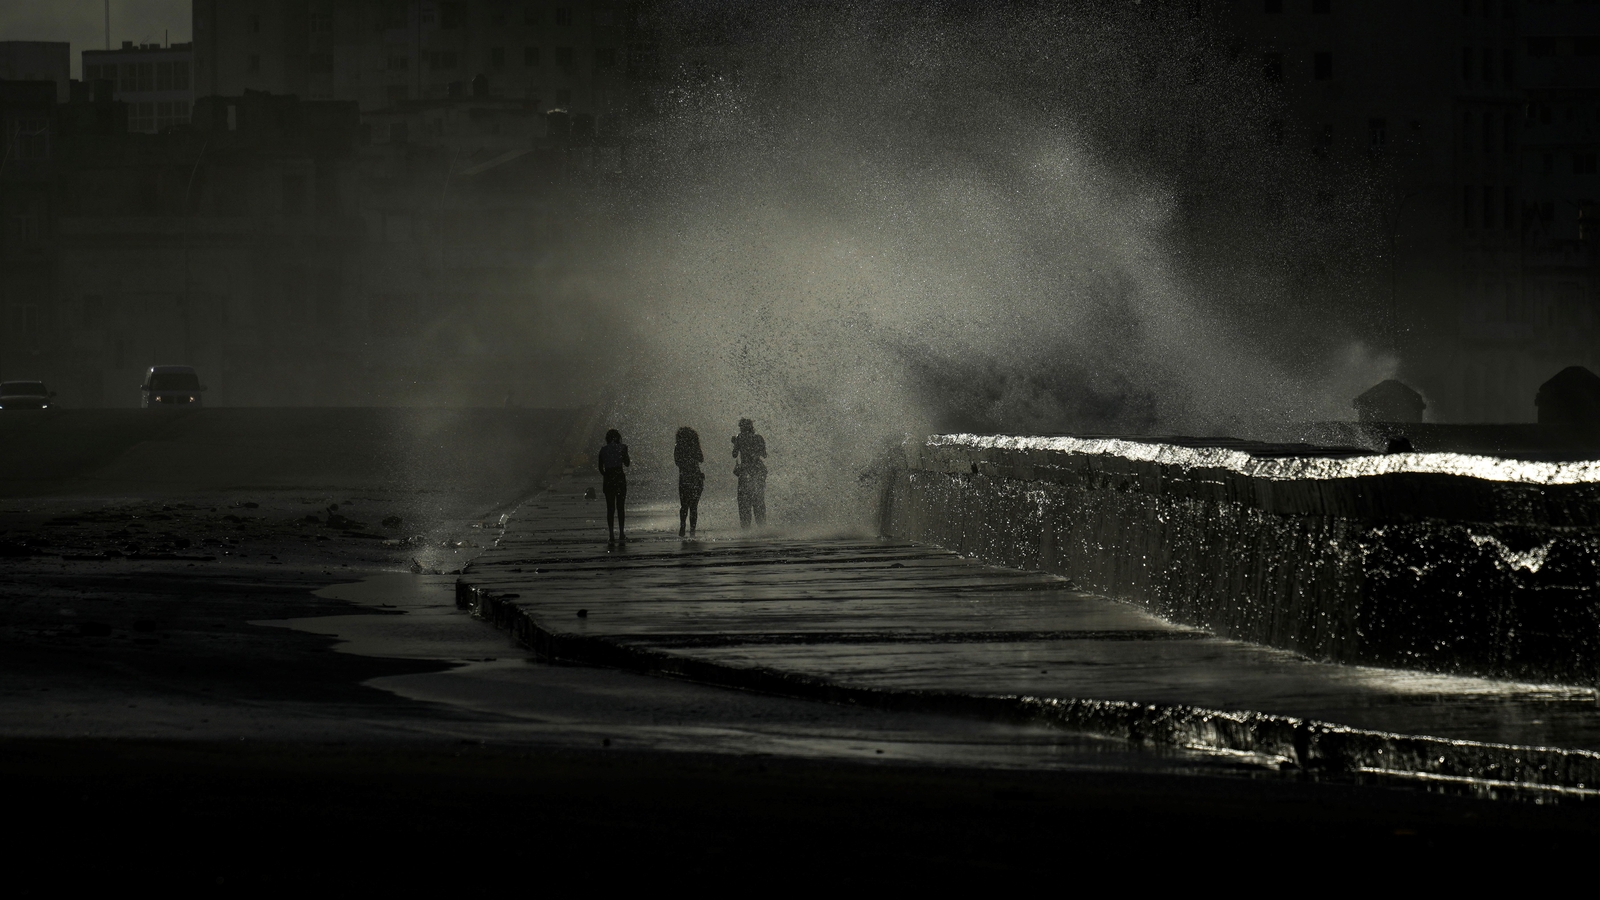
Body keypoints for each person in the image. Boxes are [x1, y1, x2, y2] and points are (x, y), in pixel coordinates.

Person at [731, 417, 767, 528]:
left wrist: (735, 443)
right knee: (758, 499)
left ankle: (746, 528)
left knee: (743, 501)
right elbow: (764, 455)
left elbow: (734, 455)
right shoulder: (759, 438)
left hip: (745, 471)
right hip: (758, 469)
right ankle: (762, 526)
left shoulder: (739, 438)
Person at [597, 428, 631, 544]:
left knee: (610, 508)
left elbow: (600, 468)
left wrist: (607, 475)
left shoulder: (603, 450)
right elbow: (627, 463)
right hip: (619, 477)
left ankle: (611, 535)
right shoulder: (623, 448)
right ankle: (621, 533)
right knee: (620, 507)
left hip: (608, 478)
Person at [674, 426, 705, 537]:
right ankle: (692, 531)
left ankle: (682, 527)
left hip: (684, 478)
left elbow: (677, 462)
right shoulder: (694, 446)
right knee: (693, 506)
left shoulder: (678, 447)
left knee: (684, 505)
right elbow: (701, 459)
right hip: (696, 477)